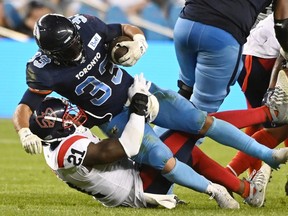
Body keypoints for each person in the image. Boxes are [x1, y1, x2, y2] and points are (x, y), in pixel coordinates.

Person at [12, 13, 288, 209]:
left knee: (199, 121)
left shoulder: (86, 26)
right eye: (67, 48)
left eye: (74, 41)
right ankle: (216, 190)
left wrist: (138, 40)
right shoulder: (42, 70)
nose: (75, 48)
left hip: (139, 91)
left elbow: (123, 27)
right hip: (114, 118)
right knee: (160, 156)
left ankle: (268, 156)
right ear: (50, 53)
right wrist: (24, 130)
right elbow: (25, 105)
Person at [29, 96, 271, 208]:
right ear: (57, 129)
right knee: (195, 125)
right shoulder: (70, 151)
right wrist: (137, 112)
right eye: (68, 116)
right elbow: (128, 147)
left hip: (135, 184)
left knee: (191, 153)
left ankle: (249, 191)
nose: (73, 115)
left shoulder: (58, 143)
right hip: (142, 189)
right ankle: (268, 113)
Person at [173, 0, 288, 113]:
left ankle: (158, 128)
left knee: (185, 91)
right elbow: (282, 26)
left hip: (186, 22)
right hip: (224, 35)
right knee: (201, 115)